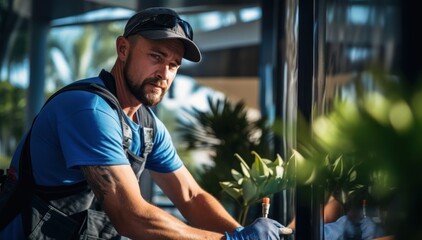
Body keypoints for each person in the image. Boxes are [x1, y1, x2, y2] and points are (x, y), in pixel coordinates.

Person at [0, 7, 285, 240]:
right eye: (155, 57)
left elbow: (190, 195)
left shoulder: (148, 127)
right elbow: (130, 216)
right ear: (123, 49)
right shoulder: (88, 109)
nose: (164, 73)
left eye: (173, 65)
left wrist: (242, 232)